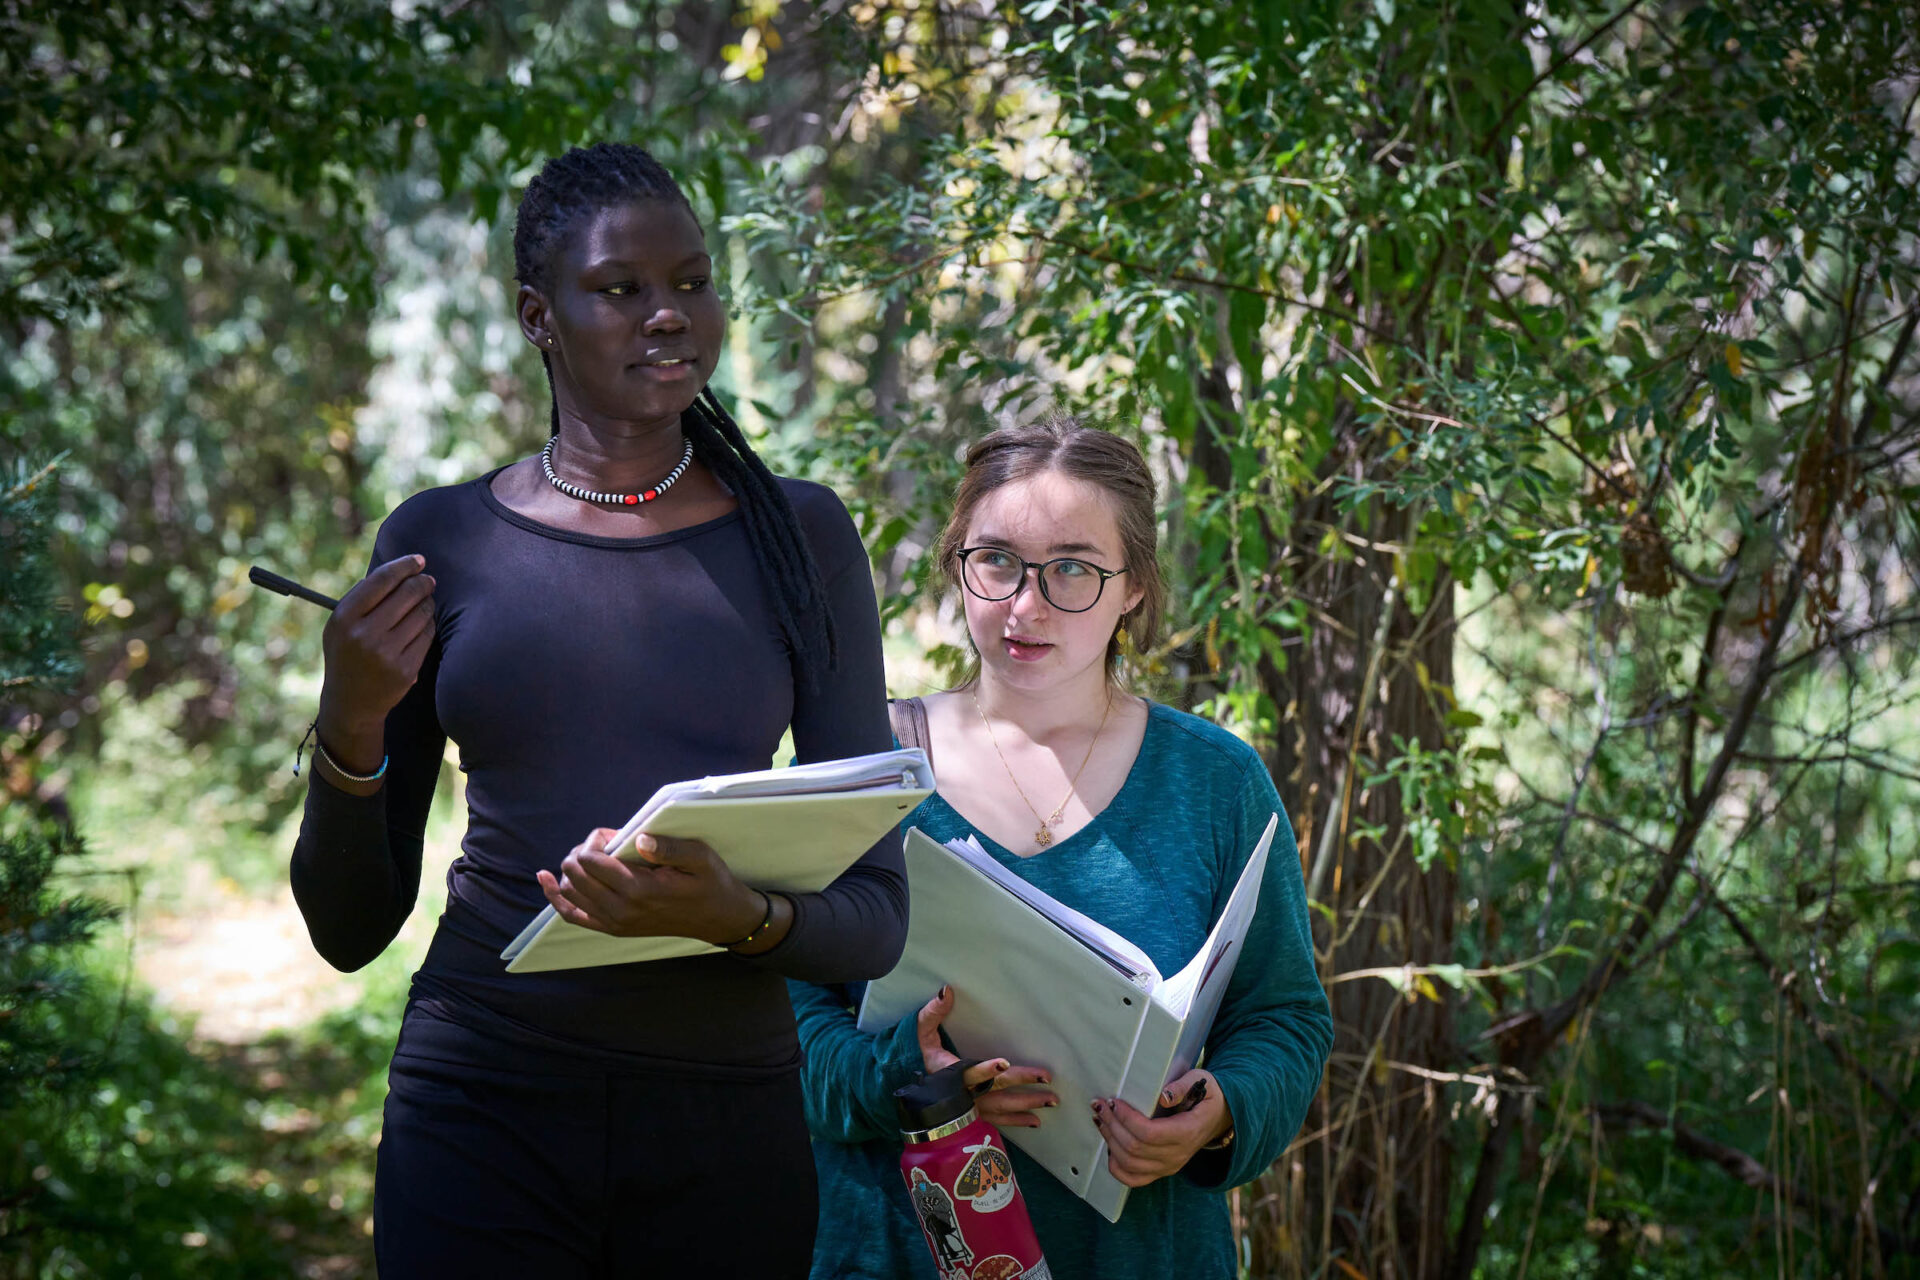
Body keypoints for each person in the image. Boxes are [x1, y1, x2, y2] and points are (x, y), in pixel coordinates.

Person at [288, 142, 907, 1278]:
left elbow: (875, 916)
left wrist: (738, 913)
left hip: (725, 1123)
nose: (668, 314)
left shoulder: (799, 538)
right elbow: (349, 927)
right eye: (622, 289)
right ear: (540, 314)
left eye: (692, 281)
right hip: (483, 1096)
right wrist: (350, 723)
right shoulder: (446, 541)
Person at [789, 417, 1333, 1280]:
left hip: (1138, 1251)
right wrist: (906, 1077)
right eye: (996, 560)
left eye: (1073, 568)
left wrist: (1221, 1110)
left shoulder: (1216, 782)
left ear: (1135, 590)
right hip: (894, 1247)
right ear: (956, 561)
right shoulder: (868, 768)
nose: (1026, 605)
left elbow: (1286, 1018)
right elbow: (786, 1026)